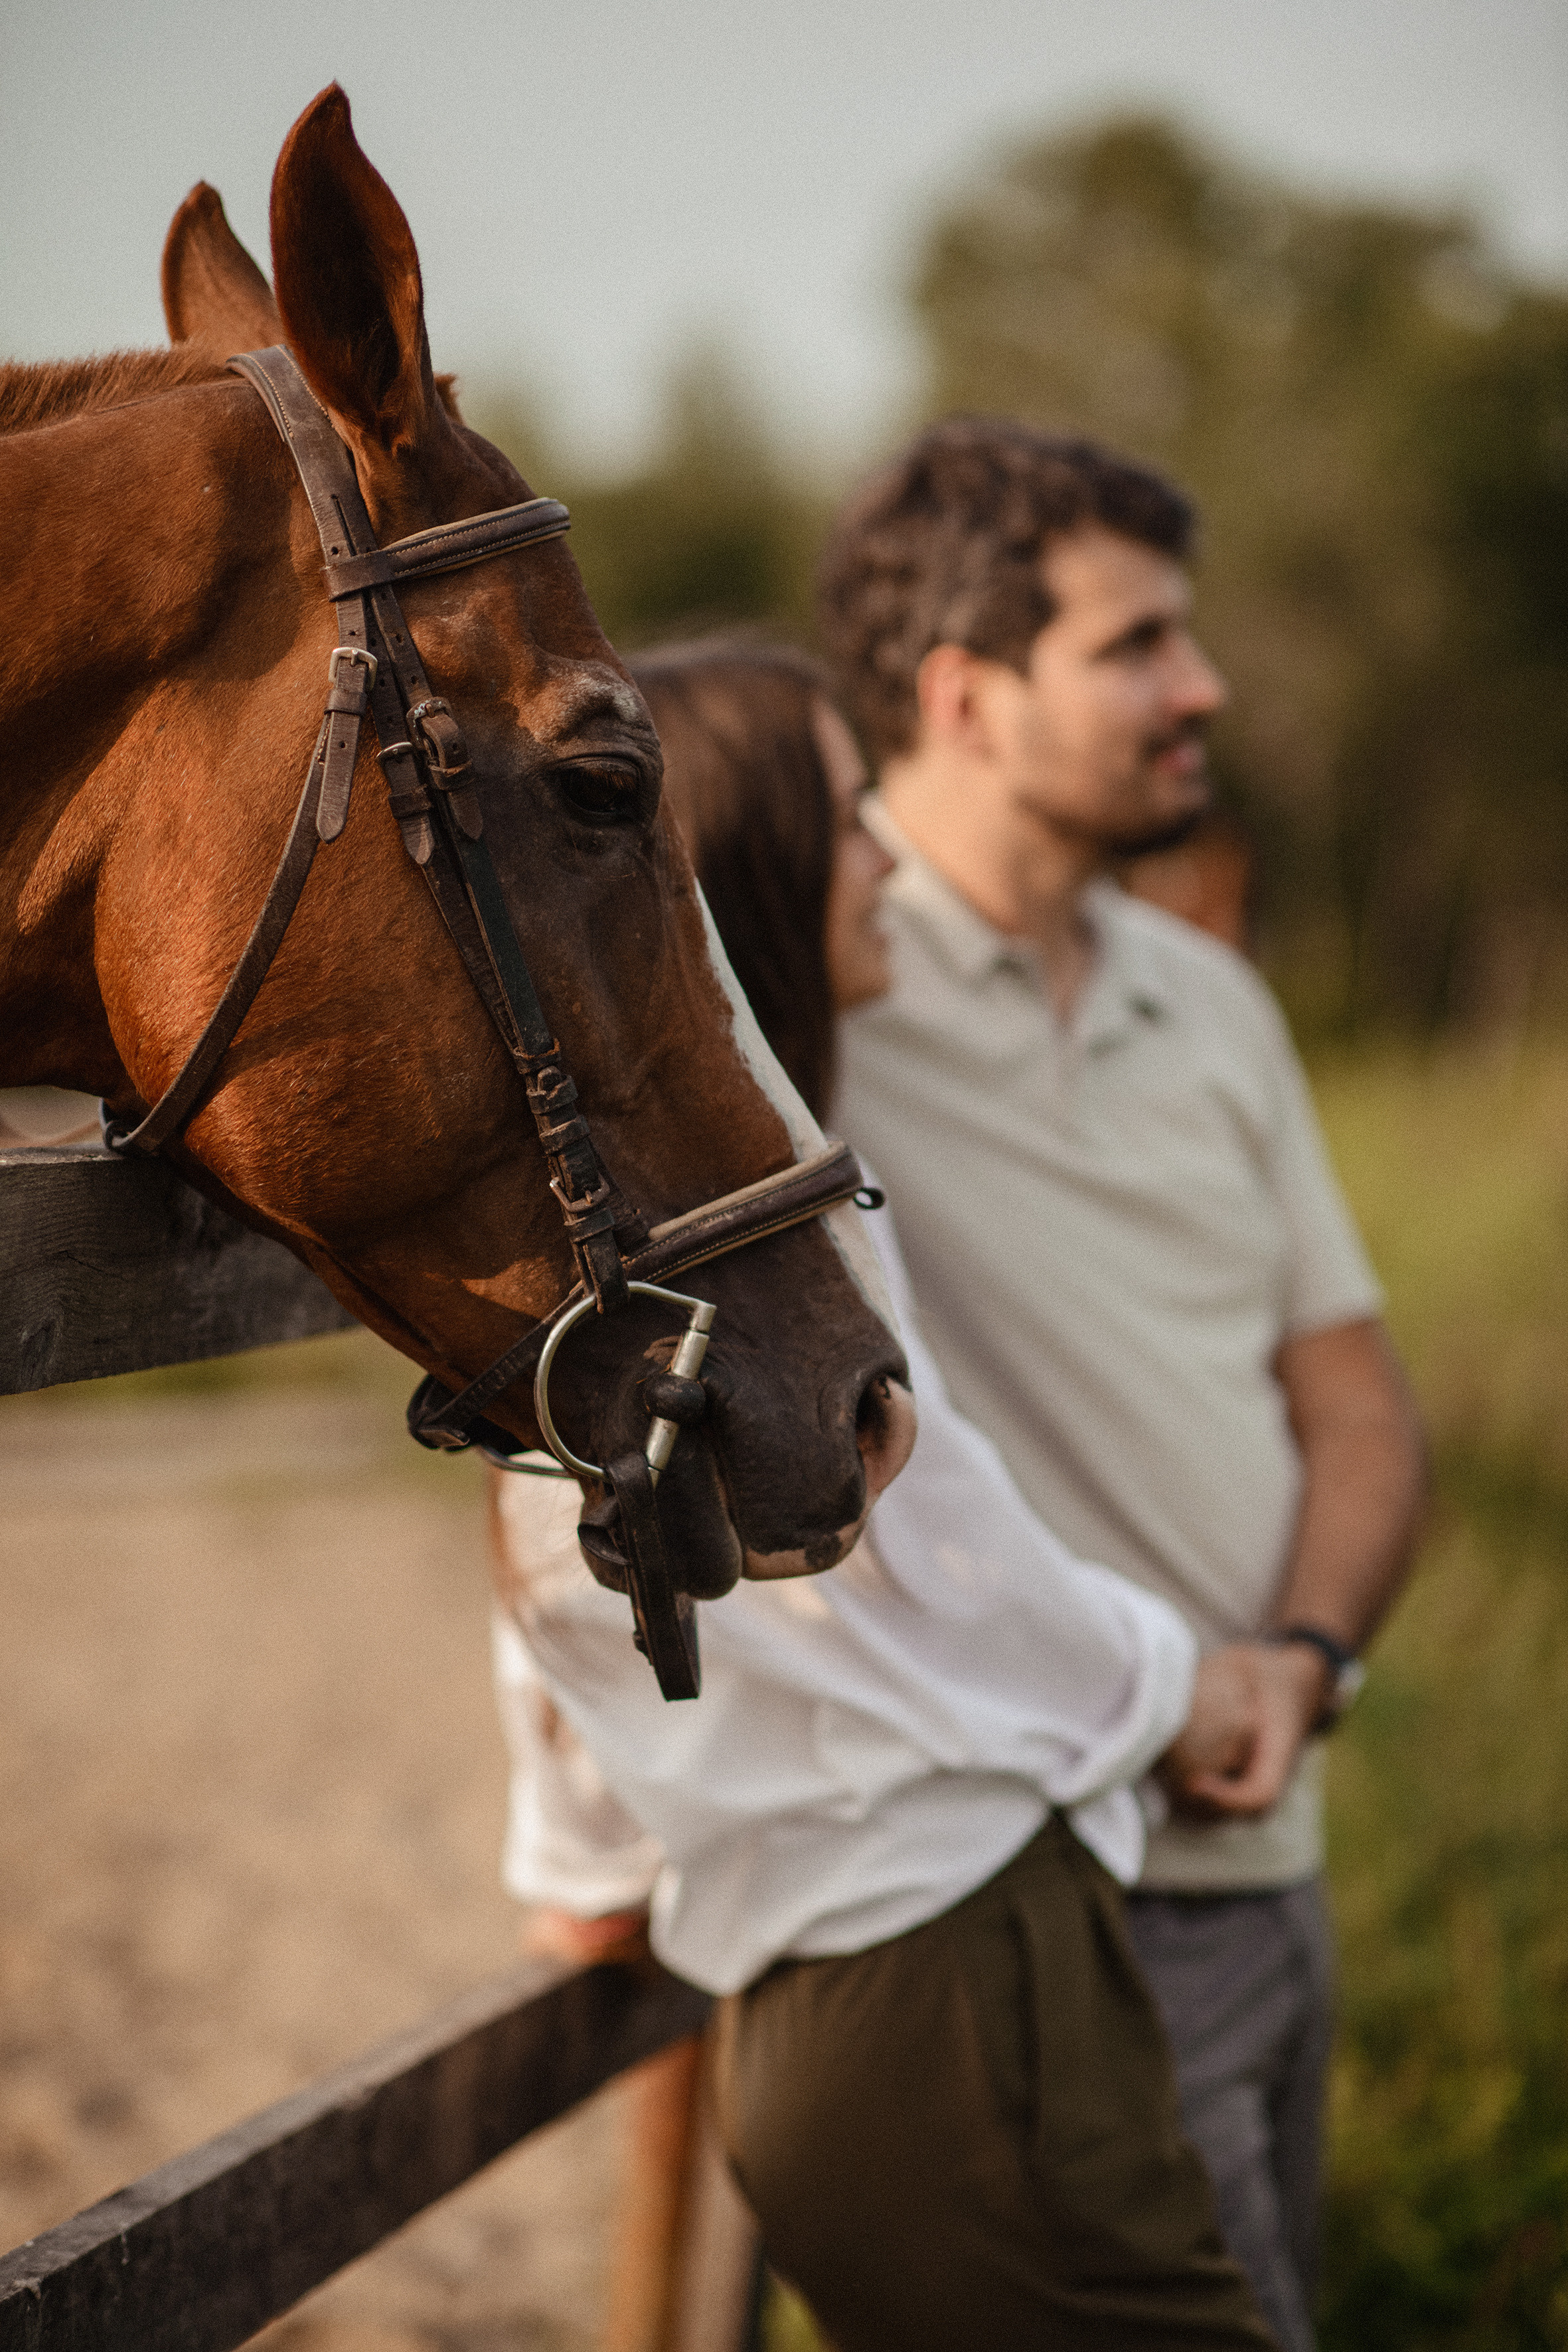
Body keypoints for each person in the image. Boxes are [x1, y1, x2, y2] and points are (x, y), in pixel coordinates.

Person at [489, 639, 1278, 2351]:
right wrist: (1179, 1683)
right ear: (760, 859)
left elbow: (547, 1586)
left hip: (818, 2015)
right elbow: (953, 1550)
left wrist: (579, 1846)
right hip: (950, 1983)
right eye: (853, 818)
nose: (888, 858)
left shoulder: (583, 1263)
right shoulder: (782, 1255)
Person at [819, 420, 1429, 2352]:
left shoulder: (1213, 1002)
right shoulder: (799, 1003)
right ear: (965, 696)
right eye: (1140, 645)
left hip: (1272, 1866)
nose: (1204, 688)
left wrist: (1305, 1661)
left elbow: (1354, 1410)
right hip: (1020, 1915)